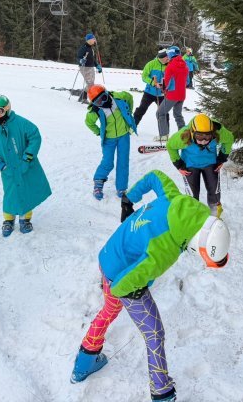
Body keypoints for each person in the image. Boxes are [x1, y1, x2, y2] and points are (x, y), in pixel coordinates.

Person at [70, 170, 230, 402]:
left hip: (109, 255)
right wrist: (126, 291)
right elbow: (124, 283)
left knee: (110, 309)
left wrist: (129, 198)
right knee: (154, 333)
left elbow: (155, 176)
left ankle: (84, 362)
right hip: (121, 275)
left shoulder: (175, 199)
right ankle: (162, 392)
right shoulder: (165, 250)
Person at [0, 94, 52, 237]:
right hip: (8, 171)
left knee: (27, 192)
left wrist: (28, 157)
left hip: (27, 167)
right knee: (10, 195)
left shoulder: (21, 123)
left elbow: (34, 136)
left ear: (7, 109)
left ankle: (25, 219)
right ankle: (8, 220)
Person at [167, 113, 233, 217]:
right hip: (190, 164)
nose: (203, 141)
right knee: (193, 193)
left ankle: (215, 213)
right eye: (199, 136)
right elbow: (170, 146)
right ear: (192, 132)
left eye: (207, 136)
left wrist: (221, 158)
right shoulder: (184, 136)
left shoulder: (218, 132)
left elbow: (229, 139)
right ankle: (193, 214)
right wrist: (179, 165)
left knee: (214, 189)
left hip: (210, 163)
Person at [85, 84, 137, 201]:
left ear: (107, 94)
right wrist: (98, 132)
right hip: (109, 139)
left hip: (124, 136)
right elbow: (89, 123)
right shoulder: (95, 111)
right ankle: (98, 182)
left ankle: (121, 188)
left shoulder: (118, 97)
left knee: (123, 162)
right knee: (107, 162)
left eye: (103, 98)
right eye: (98, 102)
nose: (102, 102)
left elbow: (129, 97)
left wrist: (128, 113)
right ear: (94, 104)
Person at [155, 46, 188, 142]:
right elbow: (187, 81)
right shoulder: (185, 65)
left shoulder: (170, 66)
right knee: (178, 114)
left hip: (172, 95)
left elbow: (167, 82)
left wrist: (163, 88)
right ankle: (183, 135)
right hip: (181, 94)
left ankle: (163, 135)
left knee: (160, 113)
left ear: (171, 54)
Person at [134, 49, 169, 127]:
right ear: (161, 57)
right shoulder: (151, 64)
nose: (168, 58)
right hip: (149, 92)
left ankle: (165, 131)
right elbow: (144, 76)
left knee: (164, 113)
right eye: (167, 57)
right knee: (141, 109)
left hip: (162, 94)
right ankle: (133, 126)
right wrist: (153, 83)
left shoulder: (169, 65)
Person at [76, 33, 102, 103]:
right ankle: (83, 98)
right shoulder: (83, 48)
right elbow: (78, 57)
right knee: (90, 84)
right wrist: (81, 60)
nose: (94, 40)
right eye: (93, 39)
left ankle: (82, 97)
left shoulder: (91, 48)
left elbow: (92, 59)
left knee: (91, 83)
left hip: (91, 67)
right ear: (89, 40)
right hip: (85, 67)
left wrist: (97, 65)